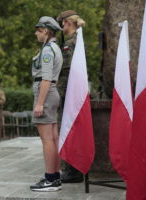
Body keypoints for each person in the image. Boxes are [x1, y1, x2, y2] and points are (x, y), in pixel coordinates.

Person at [29, 16, 63, 192]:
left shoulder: (48, 50)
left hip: (46, 94)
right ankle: (55, 176)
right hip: (51, 93)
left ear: (45, 31)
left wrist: (39, 103)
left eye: (38, 30)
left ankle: (50, 179)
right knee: (53, 138)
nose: (36, 33)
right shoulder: (52, 47)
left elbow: (46, 78)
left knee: (47, 139)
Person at [56, 10, 86, 183]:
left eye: (62, 23)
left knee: (68, 130)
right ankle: (71, 170)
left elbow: (68, 72)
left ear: (68, 22)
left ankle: (73, 171)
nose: (61, 27)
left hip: (68, 94)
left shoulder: (73, 42)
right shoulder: (74, 40)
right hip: (67, 93)